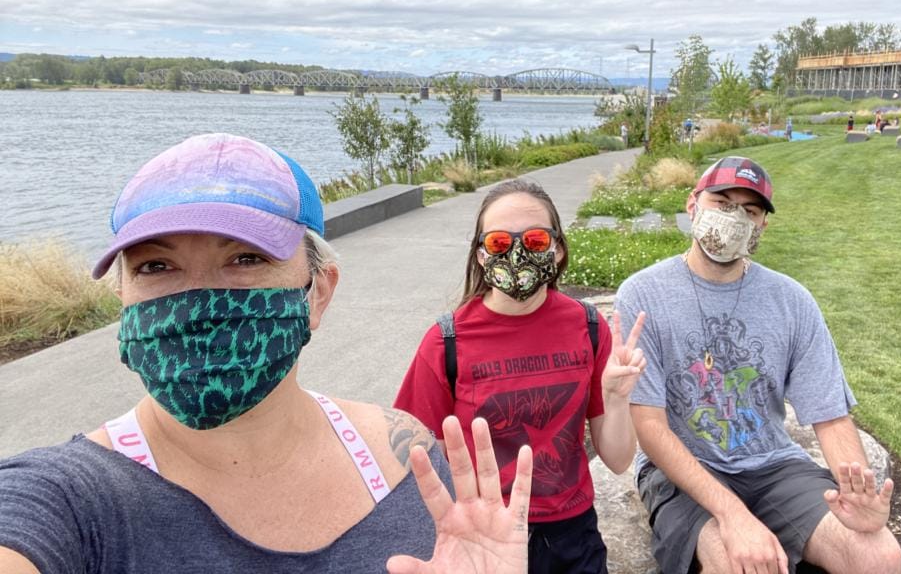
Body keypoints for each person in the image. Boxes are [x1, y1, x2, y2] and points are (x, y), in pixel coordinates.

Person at [0, 133, 533, 574]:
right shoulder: (65, 502)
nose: (201, 300)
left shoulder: (406, 458)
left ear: (317, 292)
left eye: (245, 258)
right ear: (123, 295)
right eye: (156, 267)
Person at [615, 156, 901, 574]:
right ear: (692, 204)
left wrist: (857, 493)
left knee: (879, 556)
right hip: (682, 471)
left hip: (772, 463)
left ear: (762, 226)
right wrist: (733, 516)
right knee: (736, 562)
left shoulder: (791, 300)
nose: (735, 218)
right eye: (721, 202)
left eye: (750, 210)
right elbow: (651, 429)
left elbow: (829, 414)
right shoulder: (642, 294)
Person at [395, 178, 647, 574]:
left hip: (572, 538)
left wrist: (616, 398)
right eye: (498, 242)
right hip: (483, 537)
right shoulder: (446, 342)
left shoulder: (589, 327)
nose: (516, 252)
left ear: (558, 247)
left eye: (534, 240)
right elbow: (412, 458)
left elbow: (617, 460)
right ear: (480, 254)